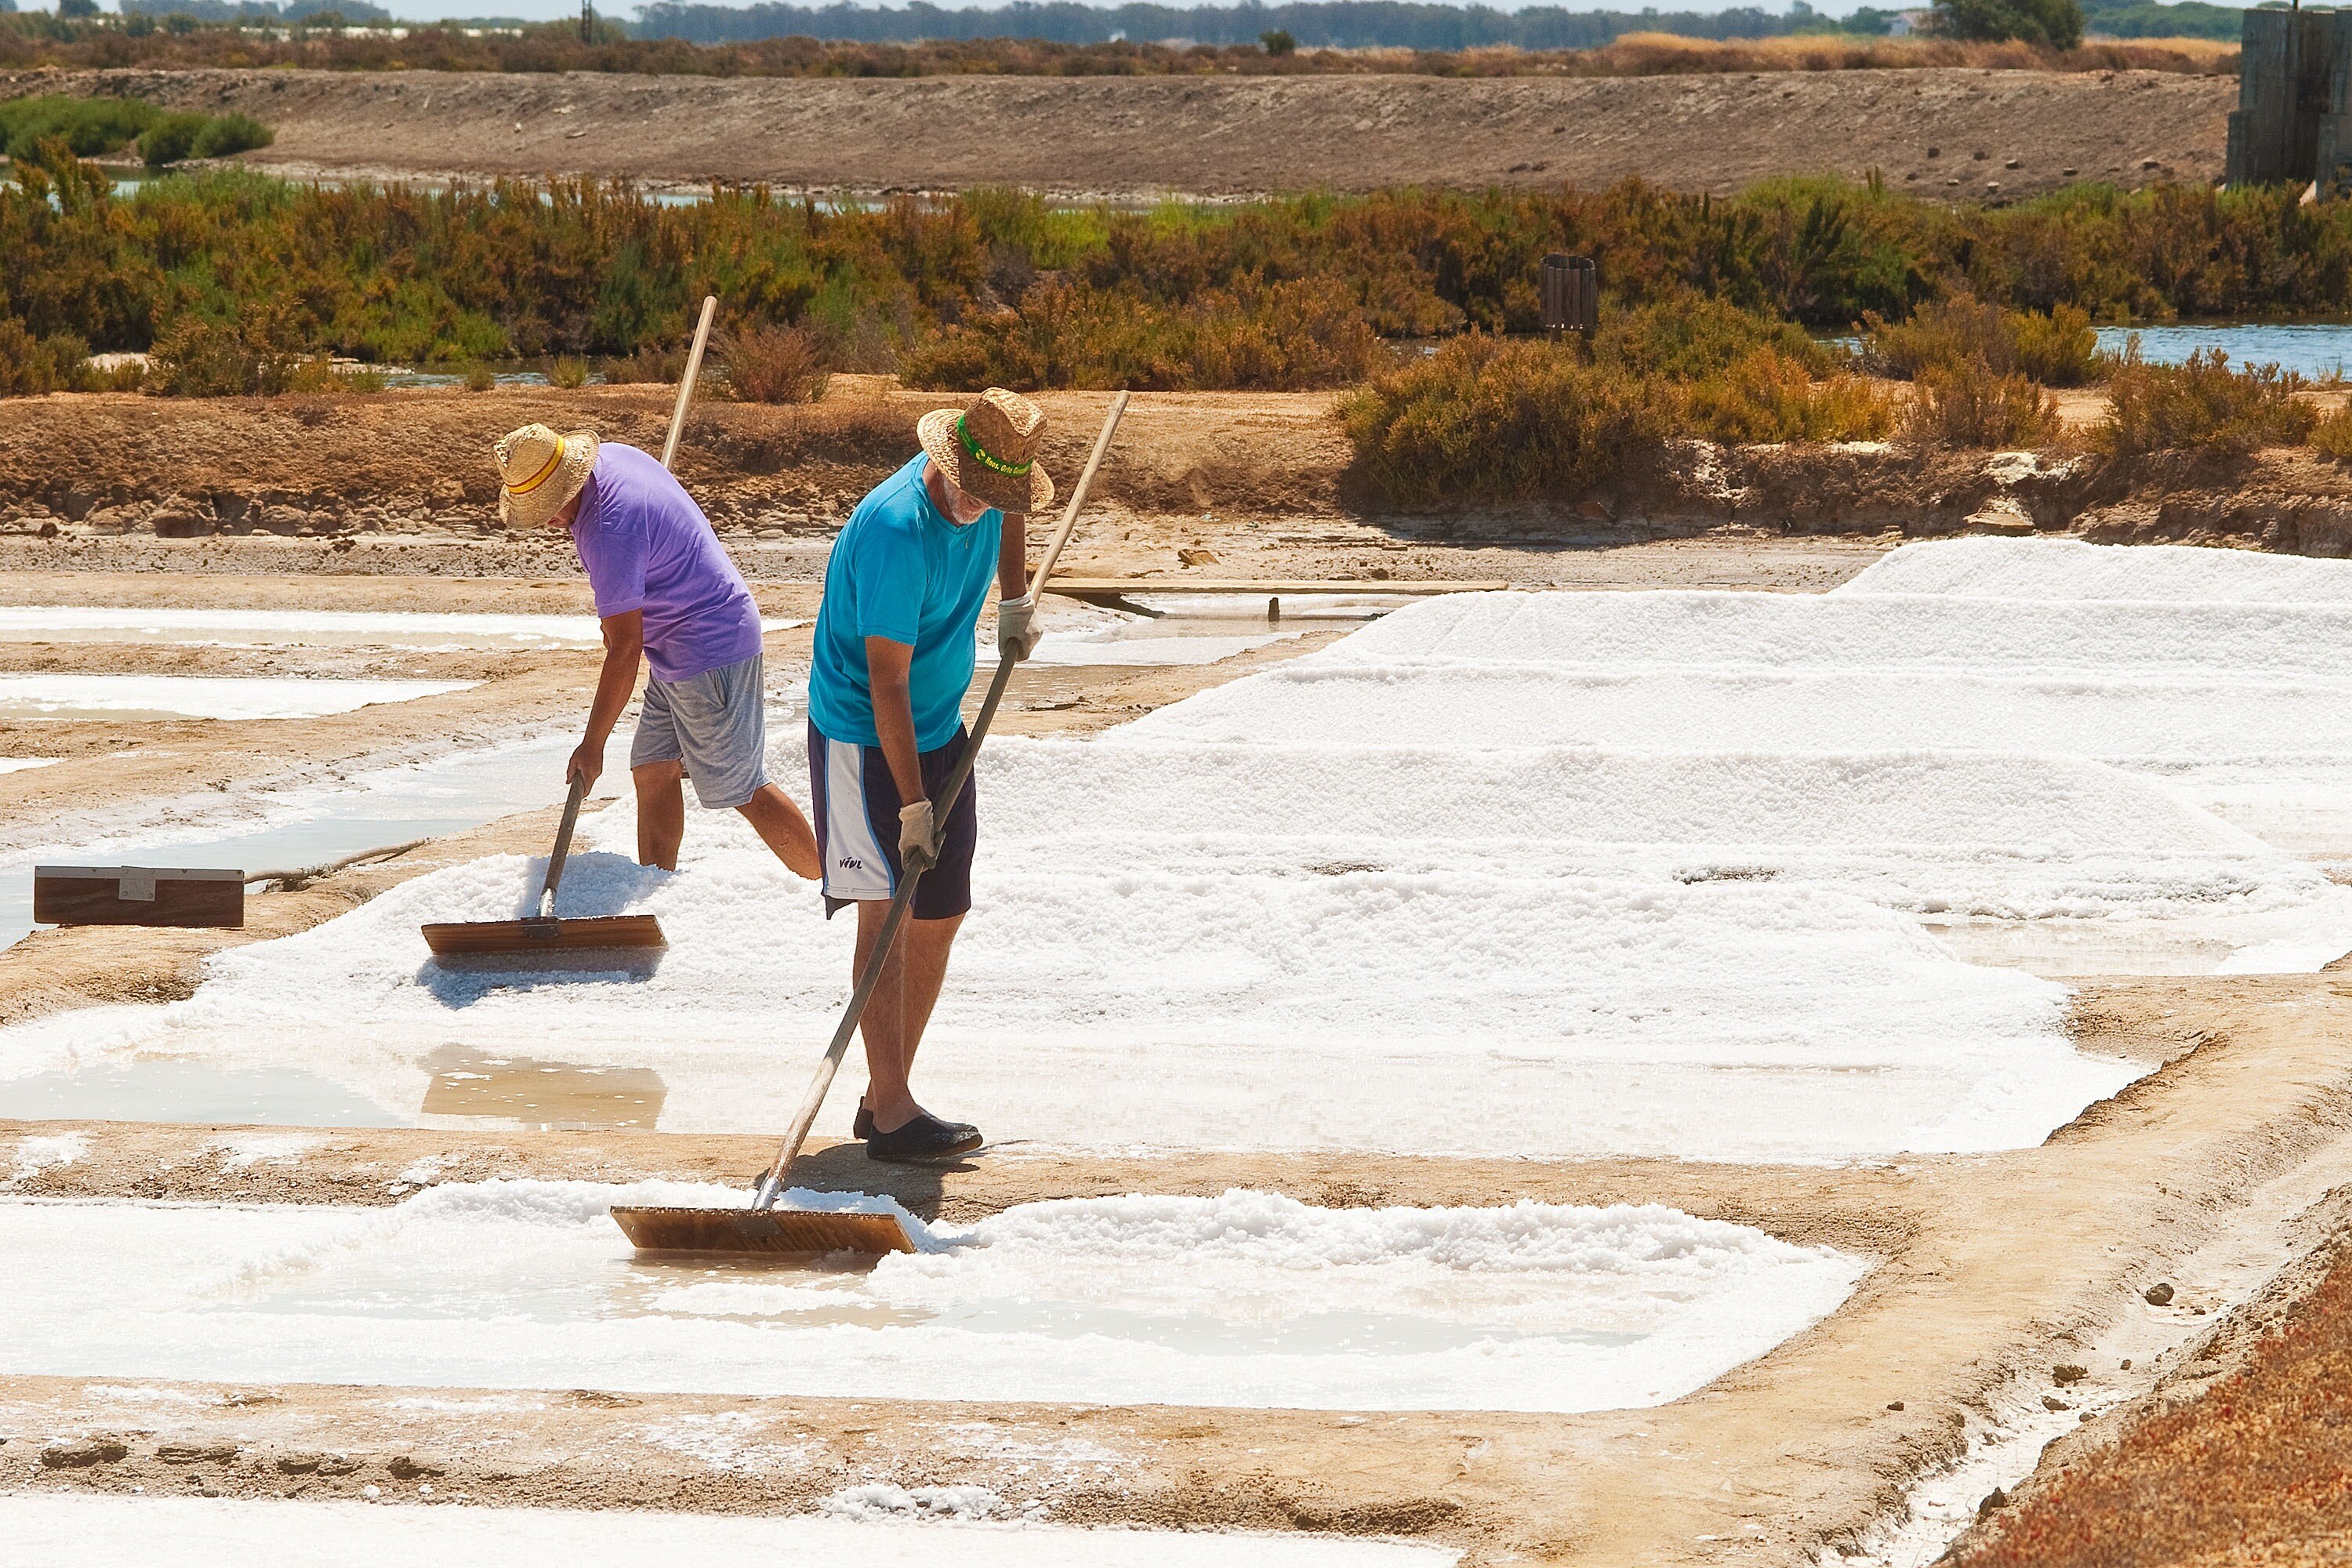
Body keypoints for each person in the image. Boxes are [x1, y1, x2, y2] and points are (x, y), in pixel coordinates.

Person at [806, 388, 1049, 1163]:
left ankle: (883, 1092)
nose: (984, 502)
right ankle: (893, 1111)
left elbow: (1011, 513)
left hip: (938, 723)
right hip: (863, 733)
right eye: (974, 487)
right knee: (884, 908)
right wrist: (911, 803)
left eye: (1000, 492)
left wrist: (1015, 599)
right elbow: (885, 684)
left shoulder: (997, 494)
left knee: (940, 908)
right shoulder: (896, 529)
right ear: (948, 463)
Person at [492, 423, 819, 881]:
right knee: (653, 769)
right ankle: (656, 886)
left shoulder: (607, 530)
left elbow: (625, 650)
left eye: (550, 507)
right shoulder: (613, 458)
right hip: (676, 642)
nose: (548, 521)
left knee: (741, 787)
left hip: (709, 647)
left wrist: (593, 745)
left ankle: (836, 891)